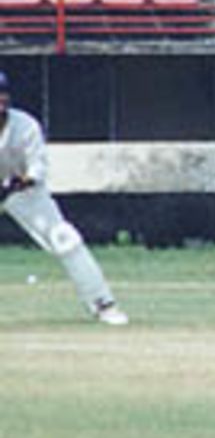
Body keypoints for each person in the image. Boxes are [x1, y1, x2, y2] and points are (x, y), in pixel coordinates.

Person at [0, 71, 127, 325]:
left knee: (64, 239)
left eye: (2, 93)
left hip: (20, 192)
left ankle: (102, 303)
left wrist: (15, 184)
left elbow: (36, 170)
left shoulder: (25, 126)